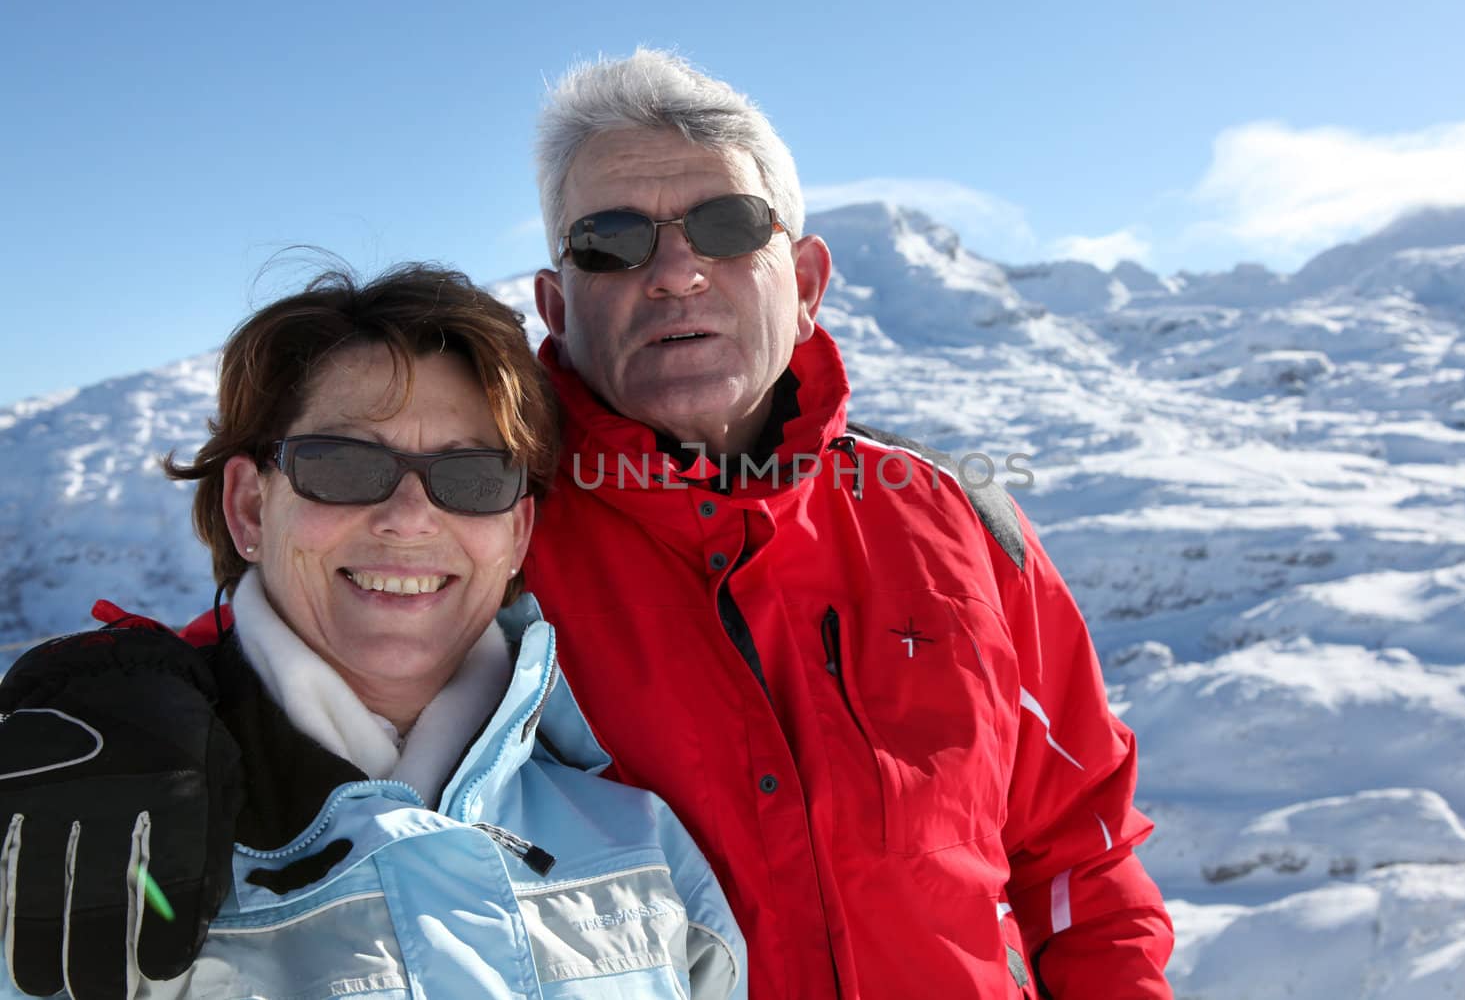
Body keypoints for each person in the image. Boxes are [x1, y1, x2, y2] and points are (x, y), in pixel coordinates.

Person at [3, 51, 1173, 998]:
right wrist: (116, 688)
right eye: (612, 240)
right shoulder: (495, 506)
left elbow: (1081, 859)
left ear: (805, 276)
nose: (673, 272)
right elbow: (313, 622)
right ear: (557, 301)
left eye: (724, 225)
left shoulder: (958, 527)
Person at [0, 265, 744, 999]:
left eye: (473, 477)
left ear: (517, 532)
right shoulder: (89, 841)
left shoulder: (641, 850)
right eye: (346, 463)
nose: (409, 516)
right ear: (252, 507)